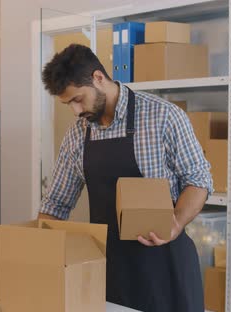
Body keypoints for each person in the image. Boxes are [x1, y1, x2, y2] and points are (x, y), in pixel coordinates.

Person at [39, 44, 213, 312]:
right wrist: (38, 257)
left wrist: (175, 224)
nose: (75, 111)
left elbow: (199, 180)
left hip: (165, 268)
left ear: (98, 78)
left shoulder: (163, 116)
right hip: (108, 271)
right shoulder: (77, 135)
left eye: (77, 99)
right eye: (68, 104)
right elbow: (55, 206)